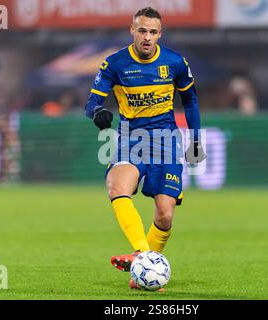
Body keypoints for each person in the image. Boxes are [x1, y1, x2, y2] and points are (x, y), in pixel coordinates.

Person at [84, 7, 205, 289]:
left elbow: (191, 102)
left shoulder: (175, 62)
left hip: (166, 142)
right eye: (142, 31)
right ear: (132, 30)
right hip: (130, 139)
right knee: (117, 187)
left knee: (164, 215)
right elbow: (92, 102)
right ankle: (142, 256)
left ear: (160, 34)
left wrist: (196, 140)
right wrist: (97, 113)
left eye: (153, 32)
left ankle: (140, 272)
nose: (147, 37)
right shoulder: (115, 63)